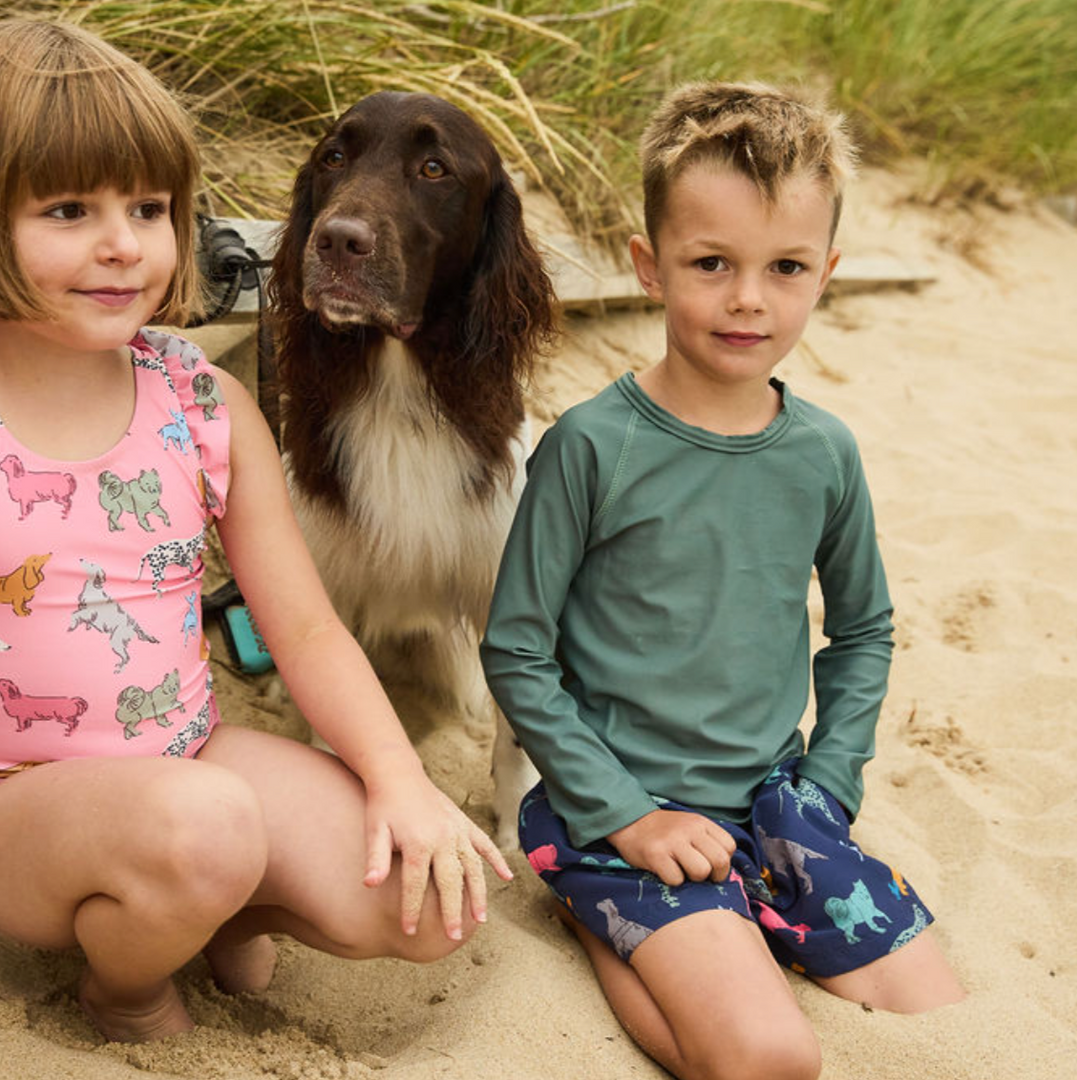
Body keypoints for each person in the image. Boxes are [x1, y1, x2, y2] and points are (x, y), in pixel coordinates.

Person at [0, 18, 511, 1045]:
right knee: (208, 828)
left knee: (426, 895)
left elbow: (311, 632)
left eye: (148, 208)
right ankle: (128, 988)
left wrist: (403, 782)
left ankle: (194, 899)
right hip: (22, 802)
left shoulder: (202, 398)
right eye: (69, 209)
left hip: (185, 755)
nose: (122, 244)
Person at [481, 81, 963, 1080]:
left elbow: (864, 629)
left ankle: (731, 917)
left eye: (785, 267)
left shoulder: (824, 453)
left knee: (931, 1001)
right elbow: (516, 649)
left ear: (825, 273)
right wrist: (626, 814)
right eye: (713, 264)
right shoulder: (590, 447)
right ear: (650, 268)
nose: (750, 299)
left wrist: (830, 782)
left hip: (777, 799)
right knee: (769, 1057)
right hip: (614, 805)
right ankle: (596, 904)